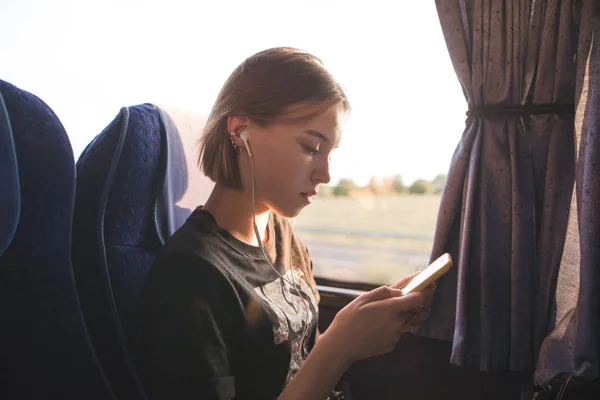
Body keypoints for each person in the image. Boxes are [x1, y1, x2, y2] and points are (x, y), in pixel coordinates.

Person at [131, 47, 435, 400]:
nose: (325, 174)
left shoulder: (279, 231)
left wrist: (360, 325)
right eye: (310, 147)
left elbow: (295, 359)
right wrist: (341, 346)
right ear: (241, 131)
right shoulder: (190, 276)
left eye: (329, 153)